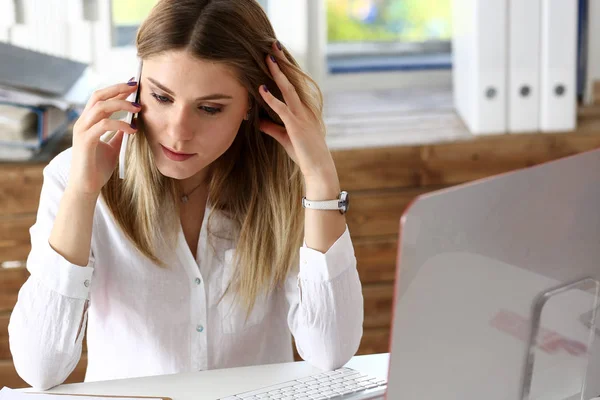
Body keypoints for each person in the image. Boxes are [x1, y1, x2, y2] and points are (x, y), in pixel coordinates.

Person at [8, 0, 363, 390]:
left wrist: (321, 180)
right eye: (161, 97)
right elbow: (39, 368)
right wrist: (81, 193)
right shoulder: (75, 175)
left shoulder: (288, 180)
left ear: (250, 104)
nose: (178, 131)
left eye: (209, 108)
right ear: (138, 81)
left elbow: (330, 350)